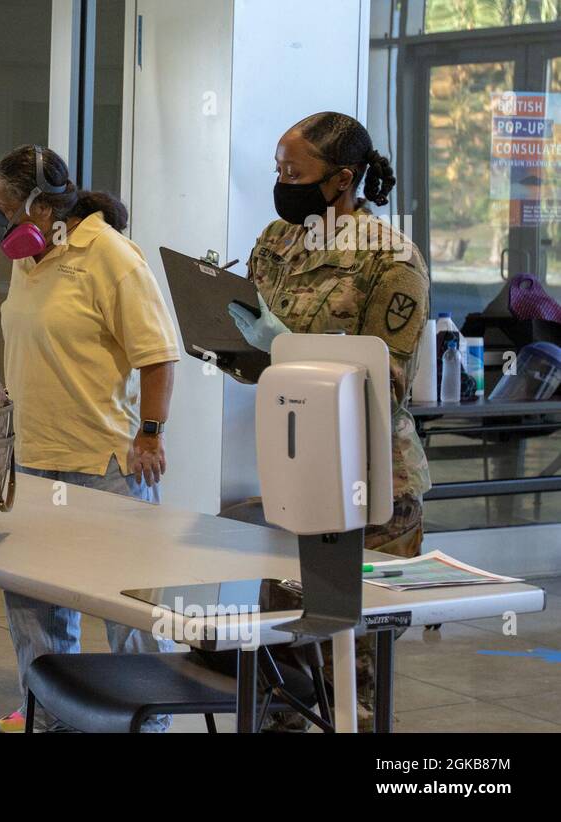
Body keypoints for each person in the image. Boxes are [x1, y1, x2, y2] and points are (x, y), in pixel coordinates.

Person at [225, 111, 430, 729]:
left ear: (343, 179)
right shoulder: (276, 241)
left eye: (295, 172)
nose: (282, 181)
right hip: (297, 470)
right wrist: (232, 344)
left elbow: (385, 382)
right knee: (285, 654)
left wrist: (289, 345)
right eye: (278, 169)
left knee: (354, 673)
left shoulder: (391, 258)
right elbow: (257, 352)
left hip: (372, 485)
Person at [0, 144, 181, 733]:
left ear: (42, 207)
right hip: (31, 461)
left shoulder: (112, 257)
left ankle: (147, 723)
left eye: (5, 207)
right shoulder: (31, 258)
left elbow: (158, 354)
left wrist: (149, 433)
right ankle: (47, 713)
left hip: (105, 463)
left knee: (129, 610)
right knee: (35, 610)